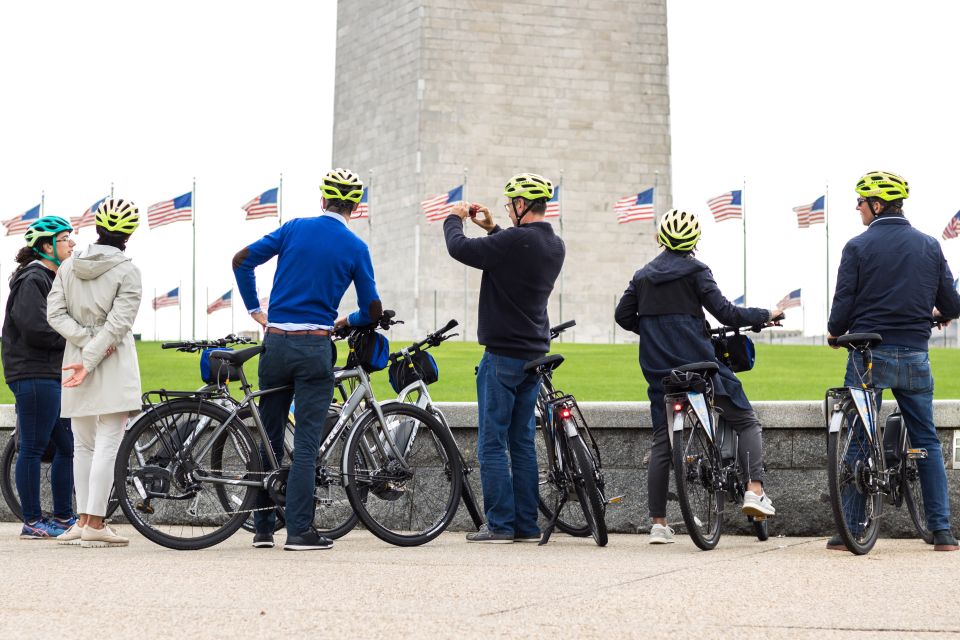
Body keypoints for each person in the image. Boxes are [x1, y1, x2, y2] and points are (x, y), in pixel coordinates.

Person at [233, 168, 382, 551]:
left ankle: (263, 527)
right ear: (355, 206)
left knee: (267, 432)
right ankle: (299, 530)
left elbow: (241, 260)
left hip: (276, 343)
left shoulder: (295, 228)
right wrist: (349, 320)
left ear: (322, 201)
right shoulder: (354, 247)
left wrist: (255, 310)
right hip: (315, 344)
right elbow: (374, 309)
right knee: (305, 442)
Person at [615, 209, 781, 544]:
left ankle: (659, 525)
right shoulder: (696, 271)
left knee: (663, 443)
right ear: (694, 242)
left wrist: (651, 331)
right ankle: (754, 490)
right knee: (746, 420)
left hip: (660, 373)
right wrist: (765, 314)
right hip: (699, 368)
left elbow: (622, 316)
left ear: (661, 239)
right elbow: (727, 312)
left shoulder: (642, 276)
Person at [827, 170, 960, 552]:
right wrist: (935, 314)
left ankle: (849, 529)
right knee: (927, 442)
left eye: (860, 201)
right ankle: (943, 533)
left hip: (869, 354)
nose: (857, 208)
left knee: (857, 442)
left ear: (877, 204)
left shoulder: (857, 247)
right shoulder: (930, 246)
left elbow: (842, 309)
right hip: (916, 354)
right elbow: (951, 304)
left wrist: (836, 333)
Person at [444, 172, 565, 543]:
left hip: (502, 357)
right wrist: (494, 228)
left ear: (521, 205)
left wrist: (455, 217)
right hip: (533, 356)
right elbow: (512, 254)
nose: (508, 209)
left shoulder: (515, 241)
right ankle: (526, 525)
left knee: (492, 443)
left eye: (510, 203)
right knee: (523, 443)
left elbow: (460, 249)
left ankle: (498, 524)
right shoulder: (554, 244)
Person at [47, 198, 143, 548]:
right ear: (129, 233)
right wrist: (93, 353)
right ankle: (96, 522)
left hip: (74, 361)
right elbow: (119, 325)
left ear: (97, 227)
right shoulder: (128, 271)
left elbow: (54, 315)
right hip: (110, 362)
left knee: (83, 445)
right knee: (107, 444)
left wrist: (83, 347)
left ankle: (82, 519)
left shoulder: (69, 266)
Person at [2, 216, 77, 539]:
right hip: (34, 373)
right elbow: (36, 329)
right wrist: (76, 338)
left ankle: (63, 516)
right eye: (65, 239)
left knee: (67, 446)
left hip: (48, 373)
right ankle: (32, 521)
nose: (72, 243)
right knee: (31, 448)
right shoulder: (33, 278)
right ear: (47, 246)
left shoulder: (50, 277)